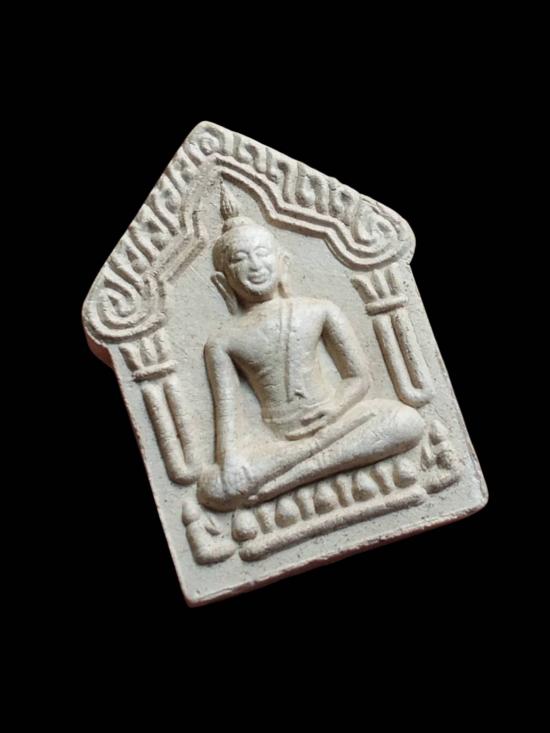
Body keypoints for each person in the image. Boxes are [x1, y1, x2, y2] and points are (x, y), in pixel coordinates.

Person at [197, 186, 424, 511]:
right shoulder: (223, 341)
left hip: (336, 423)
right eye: (240, 259)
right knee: (214, 487)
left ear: (283, 262)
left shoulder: (319, 309)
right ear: (223, 280)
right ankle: (306, 463)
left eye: (262, 253)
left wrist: (334, 409)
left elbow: (359, 378)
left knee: (406, 421)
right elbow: (228, 415)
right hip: (279, 444)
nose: (255, 266)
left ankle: (289, 480)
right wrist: (230, 462)